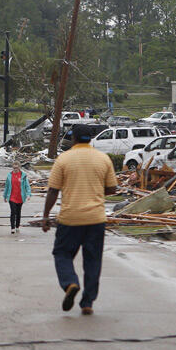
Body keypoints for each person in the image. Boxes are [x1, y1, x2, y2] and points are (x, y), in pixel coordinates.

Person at [41, 124, 118, 315]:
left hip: (70, 218)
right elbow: (112, 189)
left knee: (62, 254)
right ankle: (87, 303)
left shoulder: (64, 159)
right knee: (93, 261)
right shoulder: (103, 159)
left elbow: (53, 190)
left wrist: (45, 216)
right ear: (90, 138)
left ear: (73, 138)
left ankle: (70, 283)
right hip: (95, 219)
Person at [2, 160, 31, 234]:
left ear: (19, 168)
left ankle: (17, 226)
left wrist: (28, 194)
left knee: (18, 213)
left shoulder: (23, 175)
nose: (15, 169)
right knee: (13, 212)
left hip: (20, 197)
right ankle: (12, 228)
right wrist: (5, 196)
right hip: (11, 197)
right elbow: (7, 186)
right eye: (14, 168)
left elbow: (27, 186)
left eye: (17, 168)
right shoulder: (9, 175)